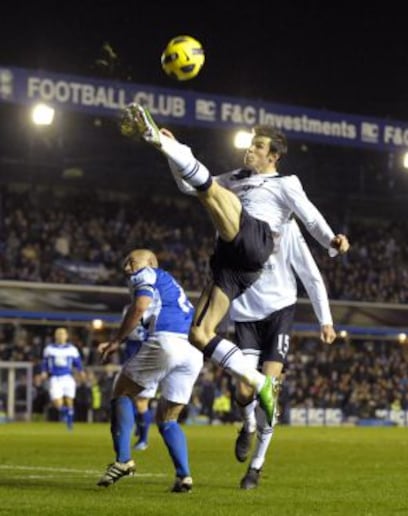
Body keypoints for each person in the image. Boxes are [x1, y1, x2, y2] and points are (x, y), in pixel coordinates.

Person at [120, 103, 349, 427]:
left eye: (258, 146)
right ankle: (260, 385)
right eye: (251, 143)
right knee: (199, 334)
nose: (250, 149)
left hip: (257, 240)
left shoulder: (285, 183)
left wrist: (331, 241)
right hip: (231, 264)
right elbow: (187, 184)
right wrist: (172, 156)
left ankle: (157, 138)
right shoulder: (234, 178)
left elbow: (310, 216)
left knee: (210, 191)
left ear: (273, 156)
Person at [230, 218, 337, 489]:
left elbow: (310, 273)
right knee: (243, 390)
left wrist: (325, 320)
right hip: (245, 314)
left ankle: (256, 466)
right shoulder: (237, 220)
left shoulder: (288, 226)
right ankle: (248, 425)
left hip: (280, 311)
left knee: (268, 391)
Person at [96, 249, 203, 493]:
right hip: (193, 352)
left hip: (168, 342)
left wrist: (116, 341)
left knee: (121, 392)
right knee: (168, 418)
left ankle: (123, 460)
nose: (127, 267)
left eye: (131, 261)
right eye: (125, 262)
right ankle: (184, 476)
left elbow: (140, 306)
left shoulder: (146, 274)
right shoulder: (173, 285)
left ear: (150, 262)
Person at [40, 327, 86, 430]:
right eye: (58, 334)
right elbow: (44, 363)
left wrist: (81, 372)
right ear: (55, 336)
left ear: (66, 336)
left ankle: (69, 423)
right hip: (55, 378)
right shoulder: (49, 349)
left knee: (70, 400)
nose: (60, 336)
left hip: (67, 377)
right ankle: (66, 413)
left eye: (62, 334)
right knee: (57, 402)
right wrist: (43, 372)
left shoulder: (72, 349)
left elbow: (78, 362)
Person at [120, 308, 153, 451]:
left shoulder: (134, 309)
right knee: (130, 398)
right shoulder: (130, 308)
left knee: (141, 402)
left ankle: (143, 439)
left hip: (148, 361)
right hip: (132, 359)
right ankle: (140, 426)